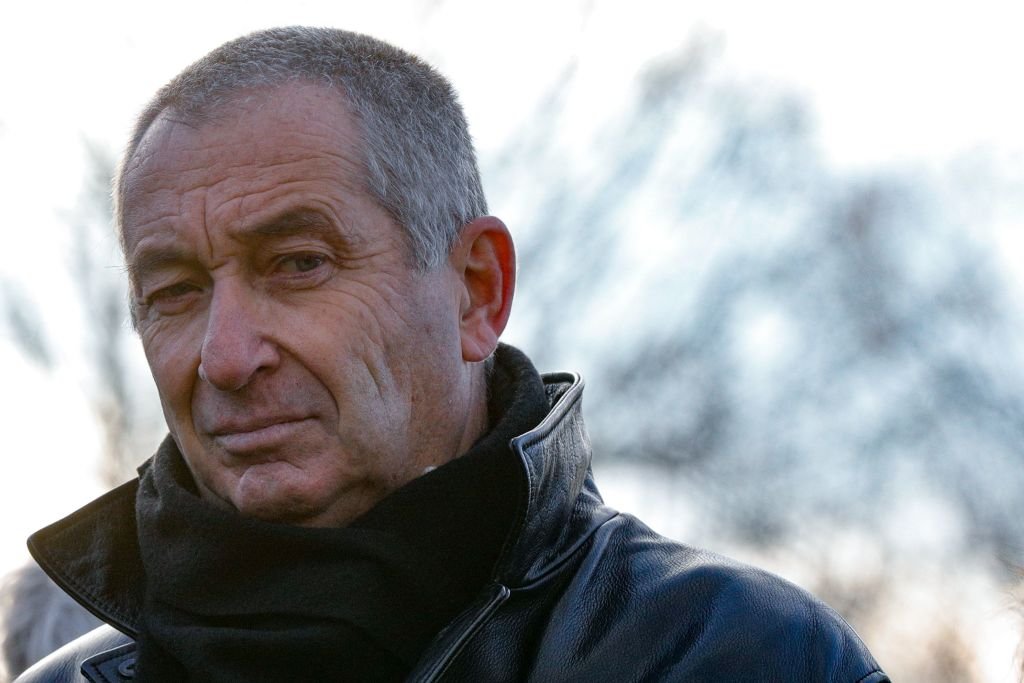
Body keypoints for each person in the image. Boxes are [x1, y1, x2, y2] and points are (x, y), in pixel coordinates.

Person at [17, 27, 889, 682]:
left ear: (477, 290)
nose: (227, 355)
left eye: (297, 264)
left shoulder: (732, 657)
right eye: (173, 291)